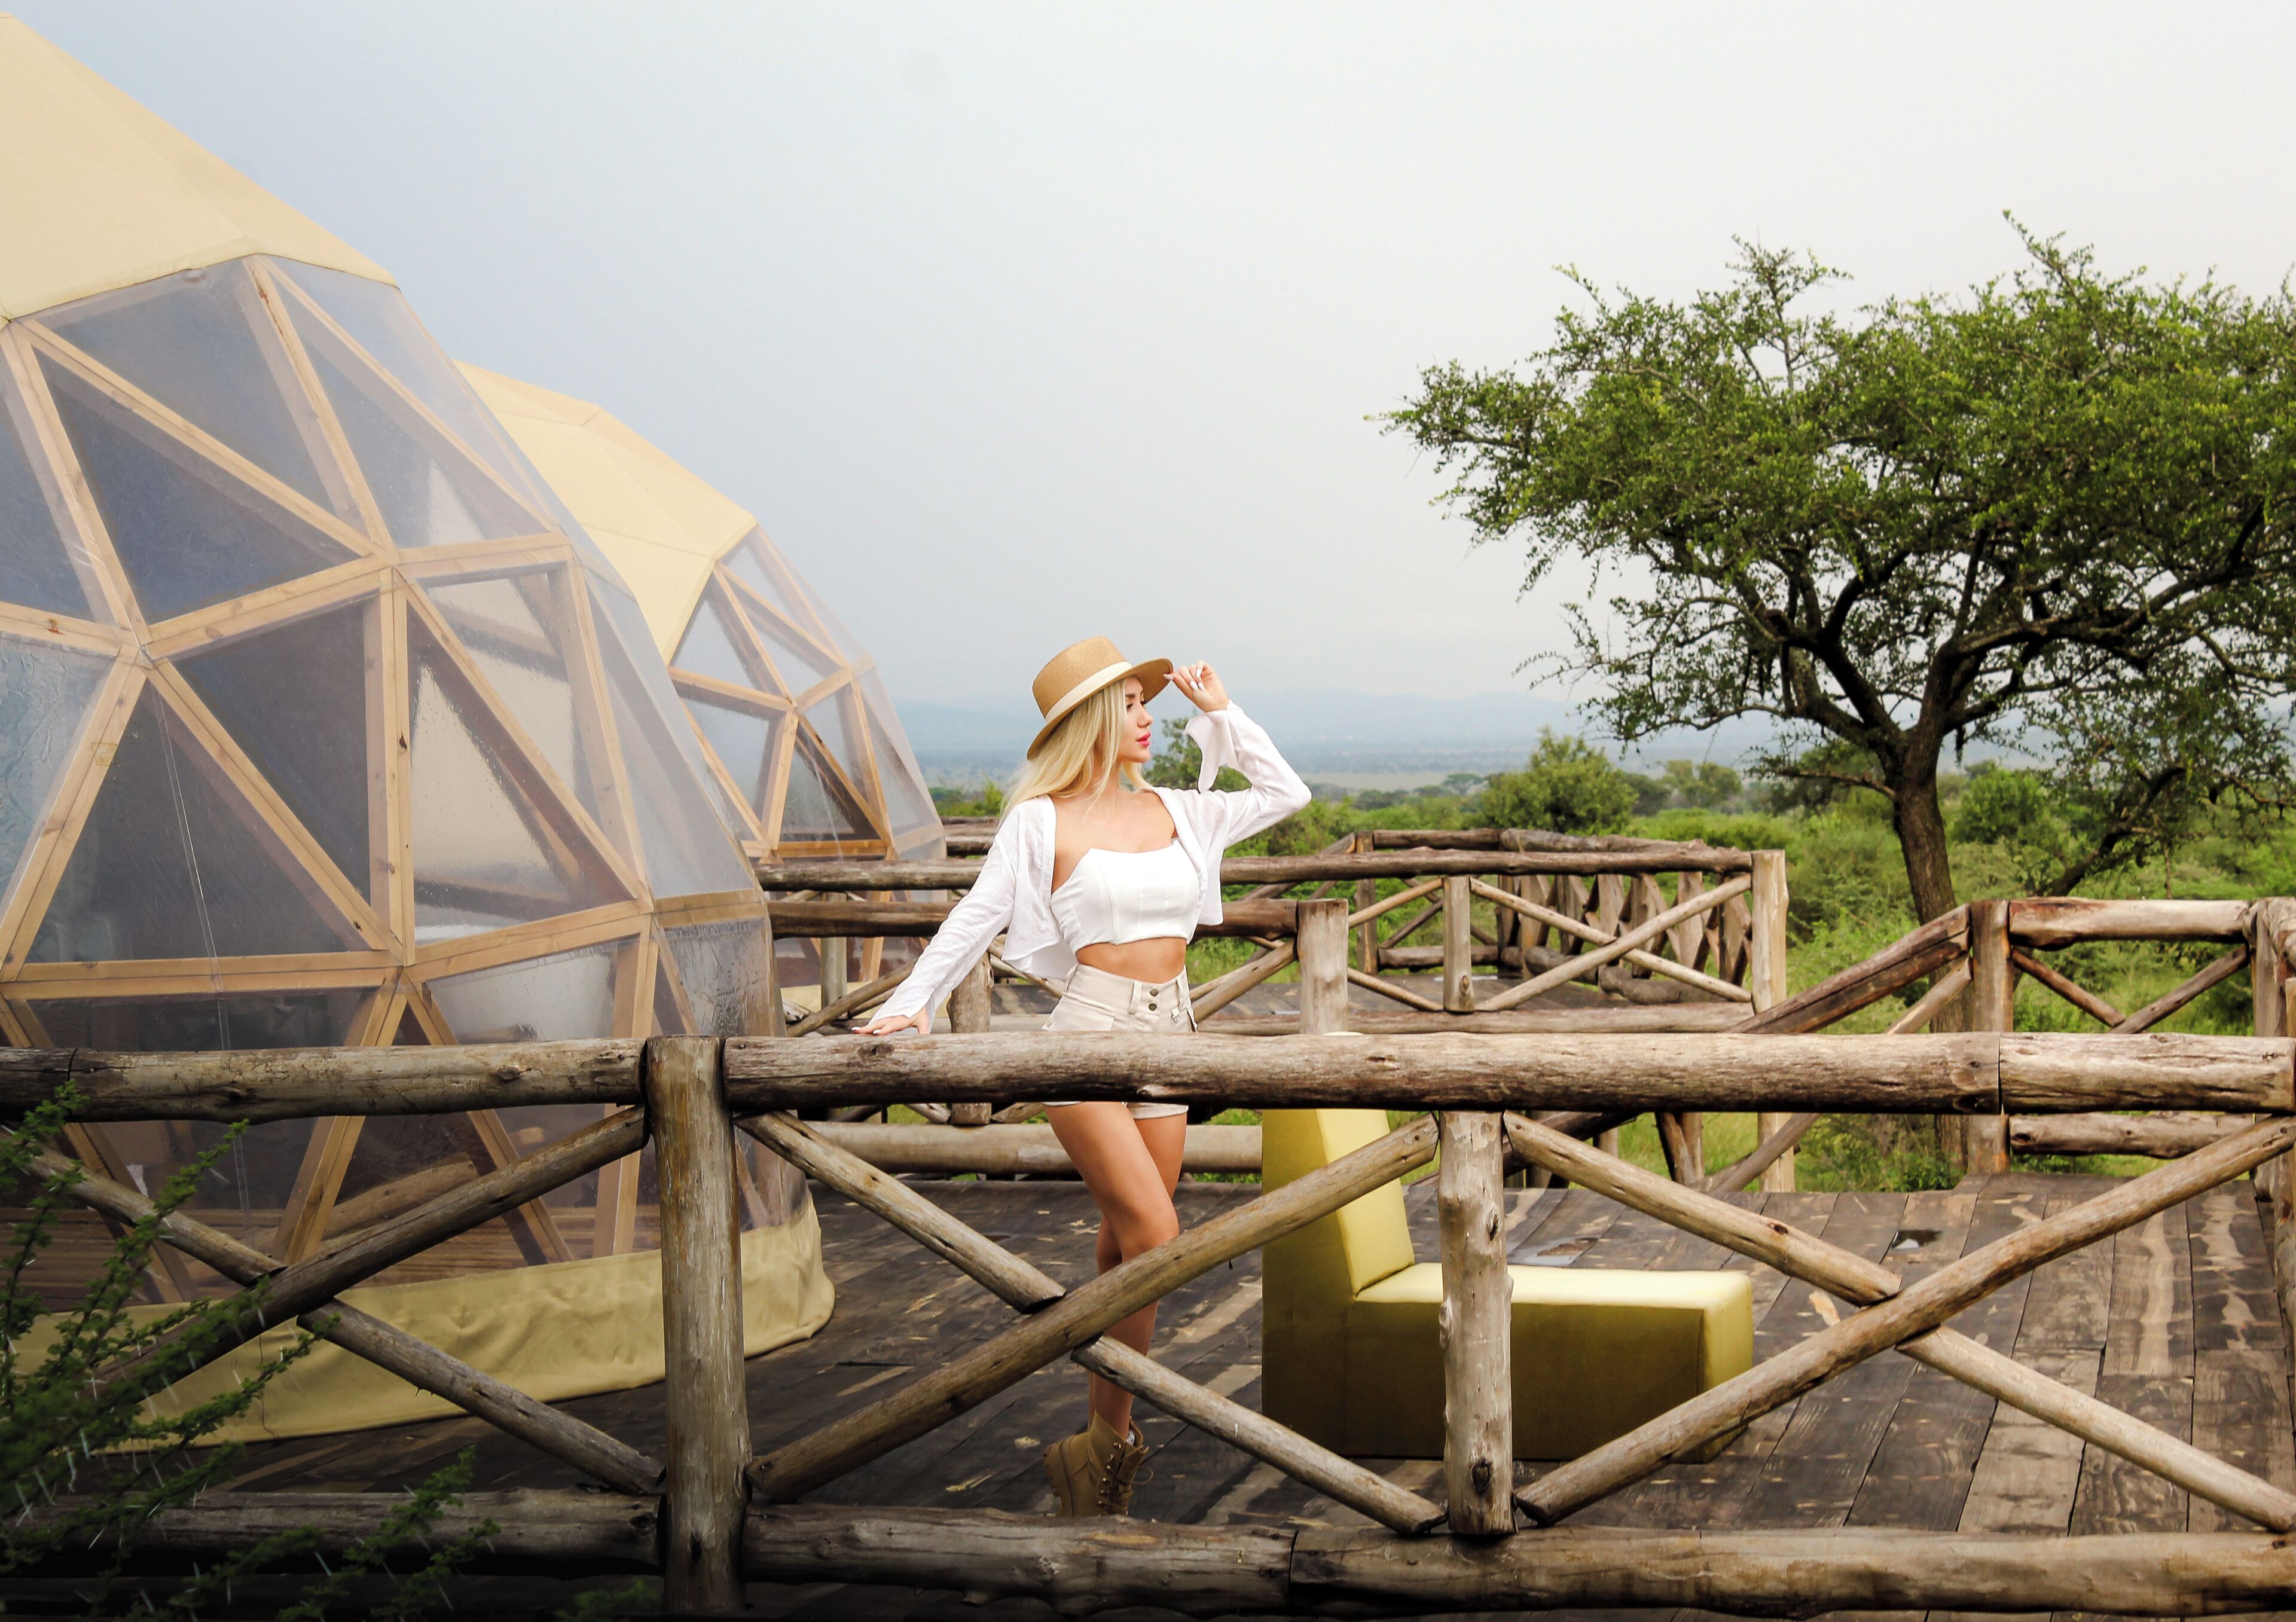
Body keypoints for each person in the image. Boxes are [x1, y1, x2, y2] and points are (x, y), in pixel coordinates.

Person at [860, 634, 1309, 1516]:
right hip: (1088, 1037)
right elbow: (979, 911)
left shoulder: (1184, 809)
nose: (1151, 721)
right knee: (1155, 1234)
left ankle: (1095, 1449)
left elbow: (1285, 793)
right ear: (1097, 720)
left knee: (1122, 1243)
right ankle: (1116, 1447)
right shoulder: (1040, 820)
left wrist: (1225, 714)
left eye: (1152, 706)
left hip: (1172, 1041)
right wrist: (914, 1001)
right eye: (1135, 707)